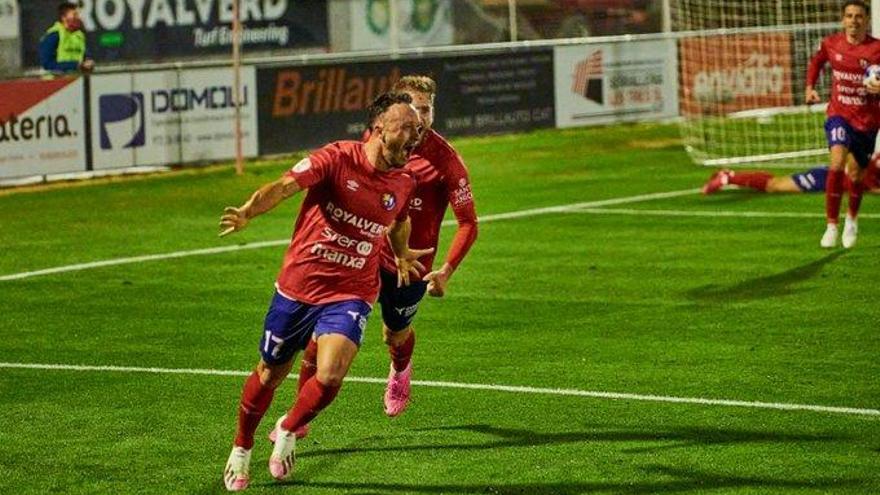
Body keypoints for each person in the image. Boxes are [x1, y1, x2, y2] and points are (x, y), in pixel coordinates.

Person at [218, 92, 432, 492]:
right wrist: (249, 211)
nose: (415, 136)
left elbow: (399, 219)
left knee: (332, 373)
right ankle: (242, 446)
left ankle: (288, 426)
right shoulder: (335, 158)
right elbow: (285, 186)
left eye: (418, 129)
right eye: (406, 127)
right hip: (299, 287)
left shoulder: (405, 179)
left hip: (351, 291)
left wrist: (401, 252)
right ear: (379, 128)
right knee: (270, 374)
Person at [284, 76, 479, 437]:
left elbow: (469, 223)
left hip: (412, 266)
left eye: (427, 109)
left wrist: (446, 270)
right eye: (414, 109)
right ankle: (298, 421)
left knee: (394, 334)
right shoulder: (378, 144)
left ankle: (400, 371)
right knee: (320, 334)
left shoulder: (446, 161)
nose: (420, 118)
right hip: (366, 256)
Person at [806, 0, 880, 248]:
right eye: (849, 16)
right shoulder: (831, 44)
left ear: (866, 21)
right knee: (837, 162)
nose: (853, 21)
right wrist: (810, 88)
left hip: (867, 121)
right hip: (839, 114)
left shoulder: (877, 49)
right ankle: (831, 225)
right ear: (842, 19)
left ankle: (851, 219)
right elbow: (816, 62)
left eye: (858, 16)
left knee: (857, 175)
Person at [702, 158, 880, 195]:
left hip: (831, 180)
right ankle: (727, 177)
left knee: (775, 182)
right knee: (774, 186)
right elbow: (871, 187)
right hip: (823, 178)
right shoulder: (876, 161)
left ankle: (732, 176)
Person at [39, 2, 94, 75]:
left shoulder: (80, 36)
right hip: (56, 83)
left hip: (75, 82)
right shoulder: (53, 35)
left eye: (78, 15)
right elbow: (47, 64)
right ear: (63, 17)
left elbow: (85, 57)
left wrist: (88, 62)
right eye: (75, 15)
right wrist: (75, 65)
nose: (78, 18)